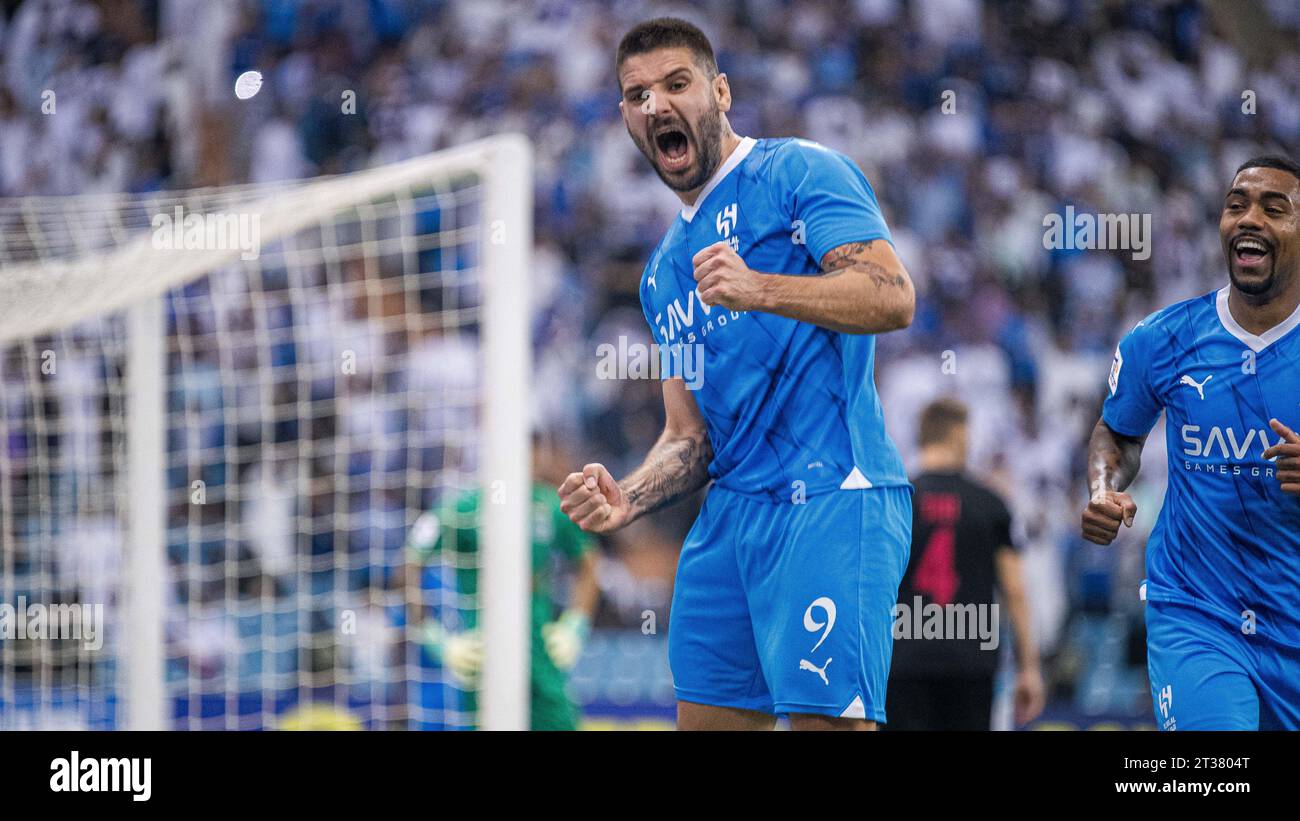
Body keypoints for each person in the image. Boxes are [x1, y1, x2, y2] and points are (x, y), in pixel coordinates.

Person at [557, 17, 916, 730]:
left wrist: (762, 288)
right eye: (637, 95)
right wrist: (626, 497)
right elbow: (690, 437)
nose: (656, 104)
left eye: (676, 83)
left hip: (831, 496)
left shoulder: (800, 172)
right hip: (731, 520)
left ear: (720, 91)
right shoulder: (662, 272)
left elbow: (892, 294)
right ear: (627, 119)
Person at [1081, 156, 1300, 730]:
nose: (1249, 218)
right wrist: (1104, 487)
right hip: (1196, 610)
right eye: (1236, 206)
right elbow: (1118, 432)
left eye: (1273, 208)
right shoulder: (1163, 338)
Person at [409, 435, 599, 731]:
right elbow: (408, 569)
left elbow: (589, 563)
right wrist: (439, 640)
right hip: (486, 656)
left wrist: (575, 624)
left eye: (537, 451)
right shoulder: (463, 508)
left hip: (541, 656)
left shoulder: (549, 506)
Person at [886, 398, 1044, 730]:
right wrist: (1029, 667)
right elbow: (1014, 590)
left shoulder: (897, 502)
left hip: (904, 659)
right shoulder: (989, 503)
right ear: (958, 435)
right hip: (971, 659)